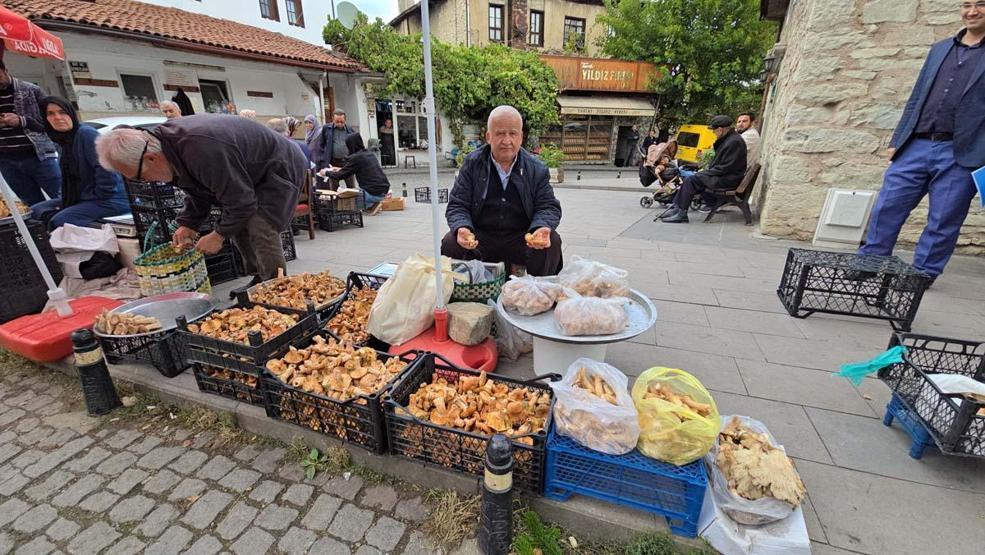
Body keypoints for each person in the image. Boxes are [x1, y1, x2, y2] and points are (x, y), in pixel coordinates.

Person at [856, 2, 985, 284]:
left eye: (981, 5)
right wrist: (898, 138)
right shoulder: (940, 49)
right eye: (967, 5)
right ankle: (869, 261)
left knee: (943, 220)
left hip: (962, 153)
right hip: (916, 144)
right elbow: (917, 97)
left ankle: (922, 274)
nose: (972, 11)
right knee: (887, 206)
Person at [95, 114, 306, 282]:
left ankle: (277, 287)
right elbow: (200, 188)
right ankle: (260, 278)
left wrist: (218, 235)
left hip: (278, 166)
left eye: (140, 177)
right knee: (237, 225)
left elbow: (242, 203)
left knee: (260, 225)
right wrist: (188, 223)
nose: (146, 182)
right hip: (246, 170)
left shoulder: (200, 148)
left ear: (151, 158)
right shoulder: (167, 145)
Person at [441, 105, 563, 276]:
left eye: (513, 134)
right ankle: (466, 292)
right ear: (488, 136)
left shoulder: (536, 168)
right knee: (451, 242)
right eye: (500, 134)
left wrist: (541, 227)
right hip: (481, 238)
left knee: (552, 241)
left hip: (521, 238)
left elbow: (547, 206)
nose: (507, 141)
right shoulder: (472, 164)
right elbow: (457, 204)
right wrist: (462, 227)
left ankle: (539, 293)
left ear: (521, 137)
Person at [30, 97, 129, 229]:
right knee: (34, 211)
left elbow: (106, 171)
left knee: (61, 221)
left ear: (71, 113)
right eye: (51, 114)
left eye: (62, 112)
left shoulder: (86, 134)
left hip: (110, 198)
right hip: (83, 197)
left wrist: (95, 195)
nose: (57, 117)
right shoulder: (62, 140)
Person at [661, 115, 747, 224]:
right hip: (726, 176)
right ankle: (677, 208)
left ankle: (681, 213)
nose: (714, 133)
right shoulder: (730, 139)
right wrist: (705, 171)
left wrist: (706, 172)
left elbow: (726, 167)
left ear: (720, 130)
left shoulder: (734, 142)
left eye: (714, 131)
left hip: (729, 179)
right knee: (691, 179)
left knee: (692, 179)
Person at [0, 60, 61, 206]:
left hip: (39, 156)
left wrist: (21, 121)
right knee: (31, 205)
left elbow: (51, 122)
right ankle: (46, 228)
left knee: (62, 197)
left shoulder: (31, 90)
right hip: (7, 161)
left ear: (5, 70)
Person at [323, 133, 390, 215]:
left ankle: (368, 205)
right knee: (358, 192)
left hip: (373, 193)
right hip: (383, 191)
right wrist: (340, 169)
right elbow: (353, 169)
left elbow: (340, 175)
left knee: (348, 198)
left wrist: (326, 172)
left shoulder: (356, 158)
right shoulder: (369, 154)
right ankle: (373, 204)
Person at [311, 109, 355, 190]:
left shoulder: (350, 130)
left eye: (342, 121)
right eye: (337, 121)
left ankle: (351, 202)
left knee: (351, 186)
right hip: (333, 162)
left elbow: (354, 146)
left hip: (347, 163)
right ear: (333, 119)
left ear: (345, 119)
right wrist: (322, 161)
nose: (339, 123)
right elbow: (321, 145)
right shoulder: (326, 128)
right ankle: (335, 202)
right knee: (334, 187)